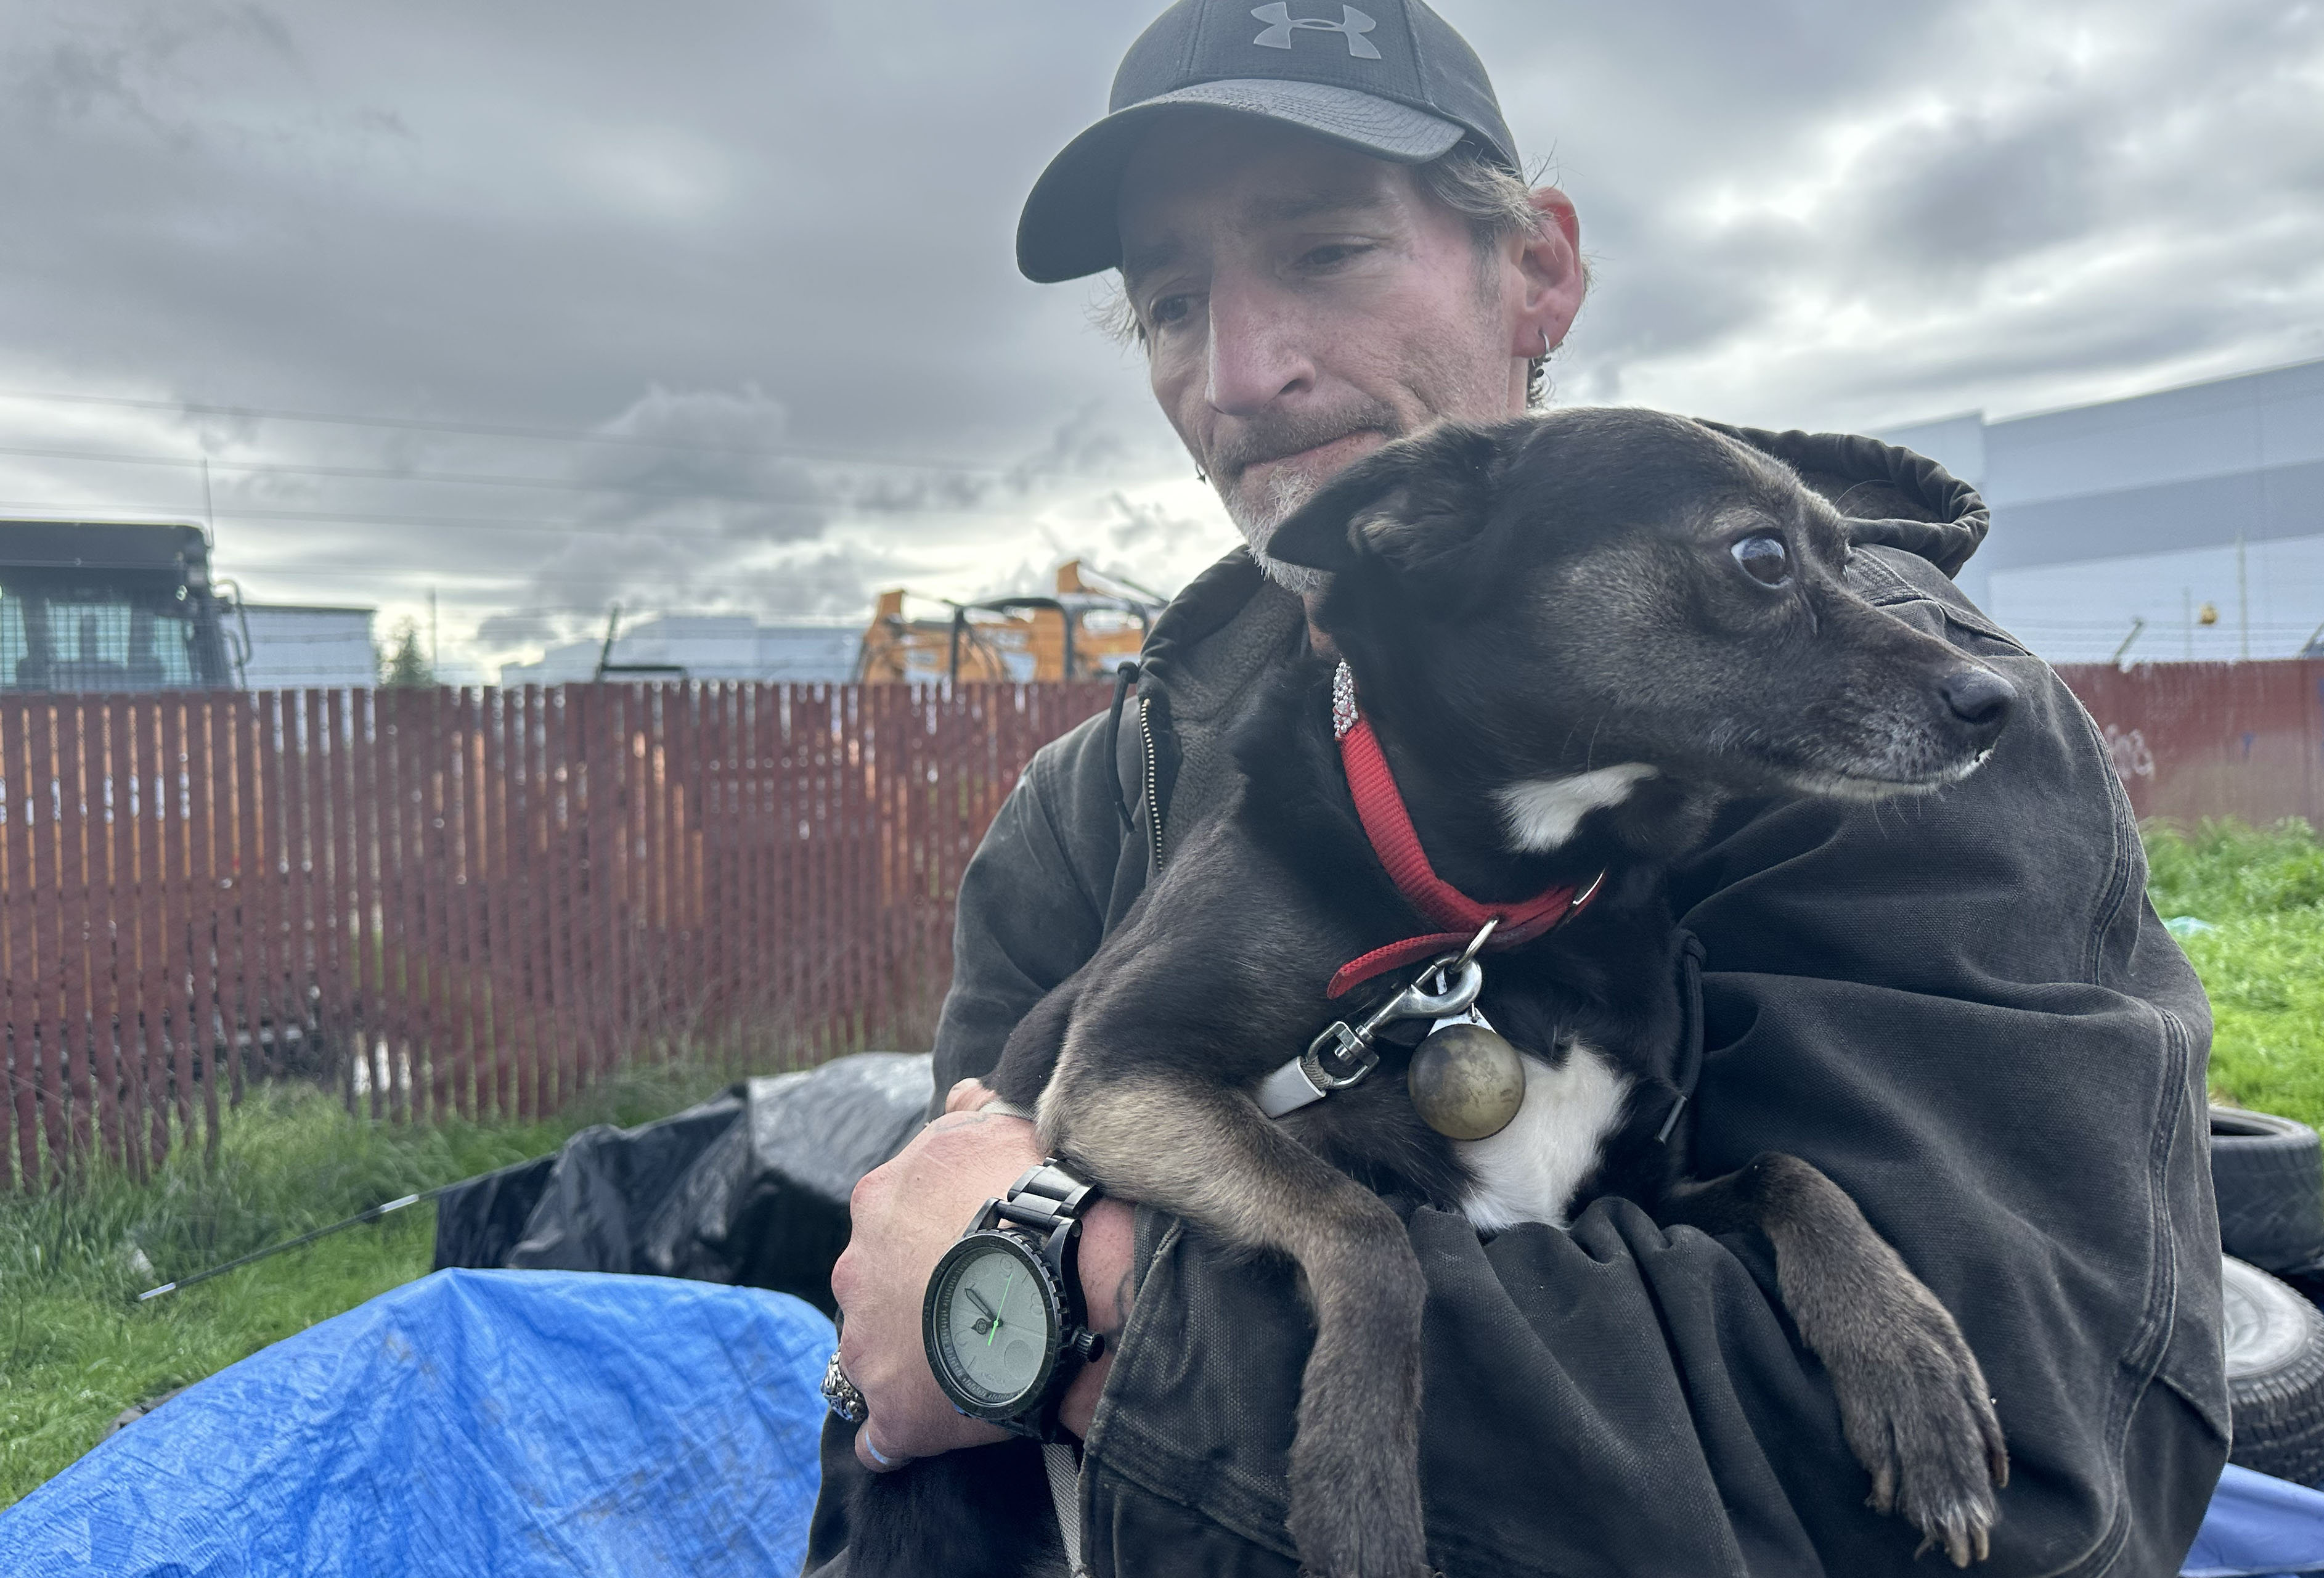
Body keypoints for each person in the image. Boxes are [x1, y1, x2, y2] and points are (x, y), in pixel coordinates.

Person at [807, 2, 2226, 1572]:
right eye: (1171, 303)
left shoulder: (1856, 734)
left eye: (1326, 251)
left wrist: (1074, 1296)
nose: (1243, 373)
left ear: (1536, 268)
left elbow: (2019, 1494)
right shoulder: (1094, 801)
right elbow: (898, 1374)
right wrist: (982, 1310)